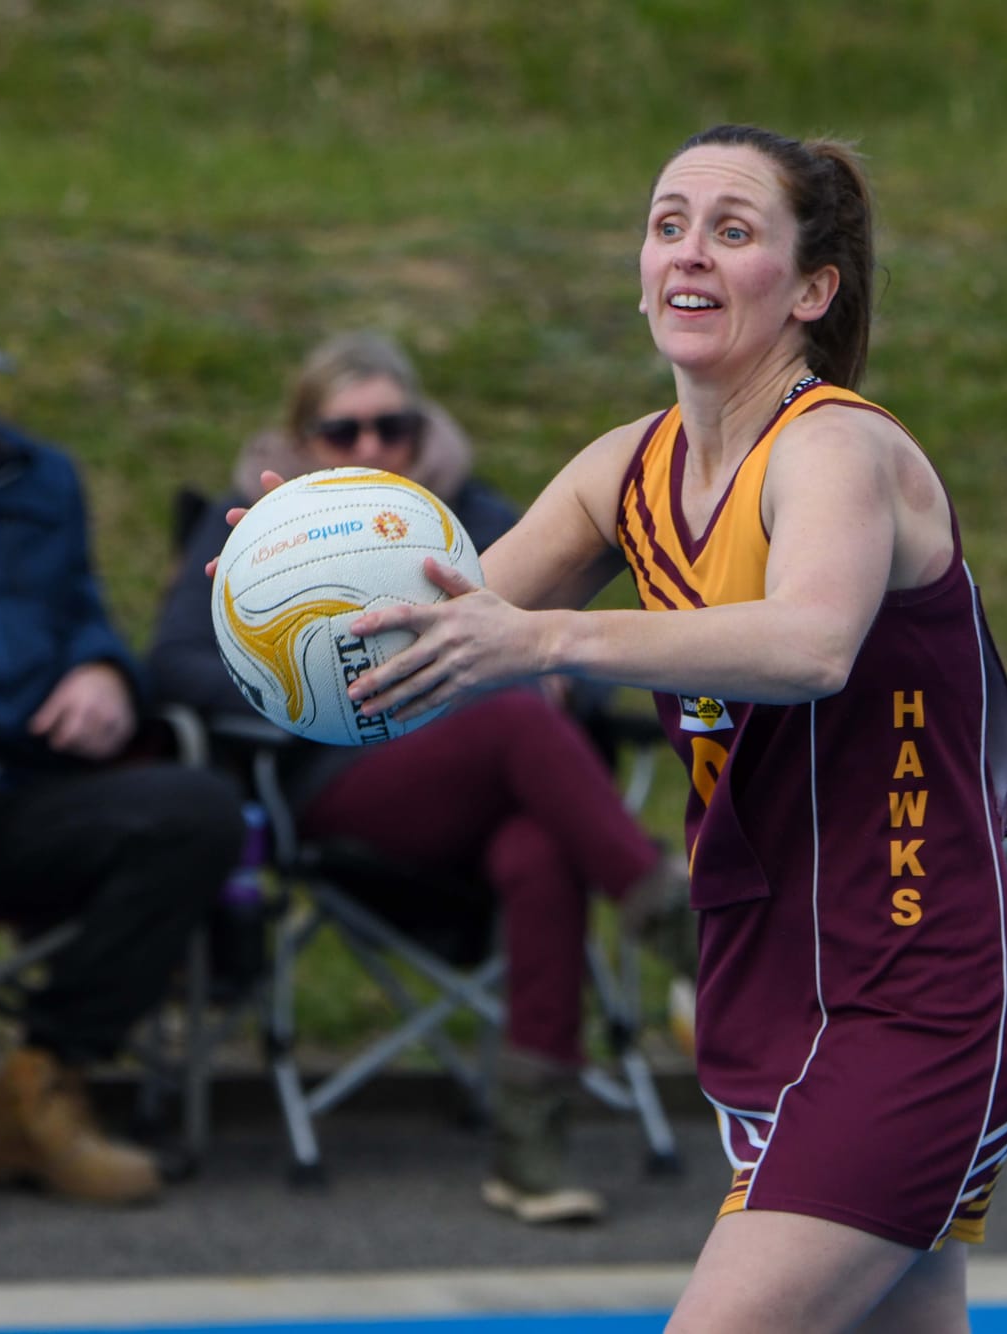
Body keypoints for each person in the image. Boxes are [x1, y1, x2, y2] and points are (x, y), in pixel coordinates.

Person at [293, 125, 1007, 1332]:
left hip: (913, 993)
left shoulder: (837, 448)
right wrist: (290, 586)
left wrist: (551, 639)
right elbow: (422, 644)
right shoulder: (624, 469)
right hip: (767, 994)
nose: (688, 252)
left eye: (731, 230)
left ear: (811, 290)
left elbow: (810, 643)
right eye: (667, 225)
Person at [151, 331, 682, 1226]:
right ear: (302, 438)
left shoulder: (465, 519)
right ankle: (680, 923)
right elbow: (170, 664)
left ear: (420, 431)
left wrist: (548, 661)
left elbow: (562, 640)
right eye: (342, 431)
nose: (370, 446)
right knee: (517, 719)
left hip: (500, 786)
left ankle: (529, 1148)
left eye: (391, 427)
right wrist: (292, 691)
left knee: (542, 846)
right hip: (341, 782)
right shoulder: (260, 532)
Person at [0, 288, 244, 1222]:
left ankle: (43, 1086)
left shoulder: (44, 482)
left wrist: (105, 673)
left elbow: (82, 611)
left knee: (196, 810)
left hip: (28, 790)